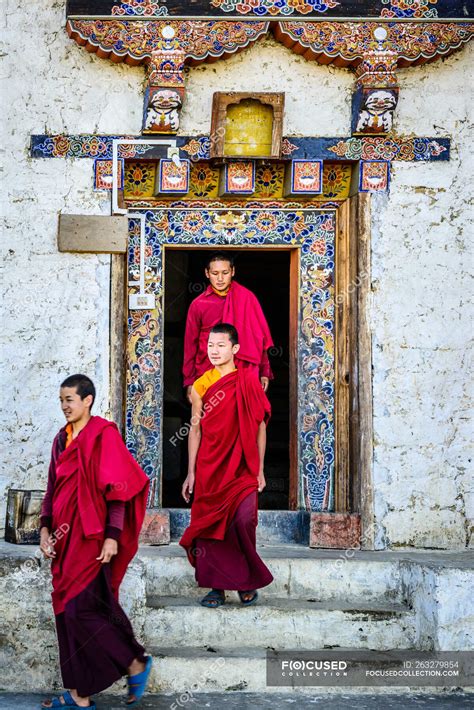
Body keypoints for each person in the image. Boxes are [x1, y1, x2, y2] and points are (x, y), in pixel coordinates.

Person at [39, 374, 152, 709]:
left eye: (69, 400)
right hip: (64, 539)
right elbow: (52, 490)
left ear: (87, 400)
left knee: (80, 610)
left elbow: (118, 491)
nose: (64, 406)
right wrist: (46, 530)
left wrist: (112, 537)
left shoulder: (103, 436)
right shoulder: (62, 440)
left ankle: (134, 663)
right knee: (66, 611)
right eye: (61, 400)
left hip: (91, 537)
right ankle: (79, 694)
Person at [180, 323, 273, 608]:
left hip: (243, 466)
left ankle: (246, 580)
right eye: (210, 346)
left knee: (243, 521)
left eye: (221, 345)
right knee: (210, 526)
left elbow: (259, 426)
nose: (214, 351)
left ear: (235, 349)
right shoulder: (201, 385)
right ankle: (216, 588)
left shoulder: (248, 380)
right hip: (210, 466)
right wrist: (191, 472)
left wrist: (259, 470)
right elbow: (195, 429)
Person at [183, 252, 274, 404]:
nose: (220, 279)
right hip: (208, 371)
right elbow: (190, 345)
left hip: (243, 372)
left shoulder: (247, 298)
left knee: (245, 420)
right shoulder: (198, 305)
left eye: (225, 273)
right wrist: (189, 381)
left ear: (233, 271)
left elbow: (259, 337)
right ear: (207, 273)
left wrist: (265, 371)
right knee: (212, 420)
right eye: (215, 273)